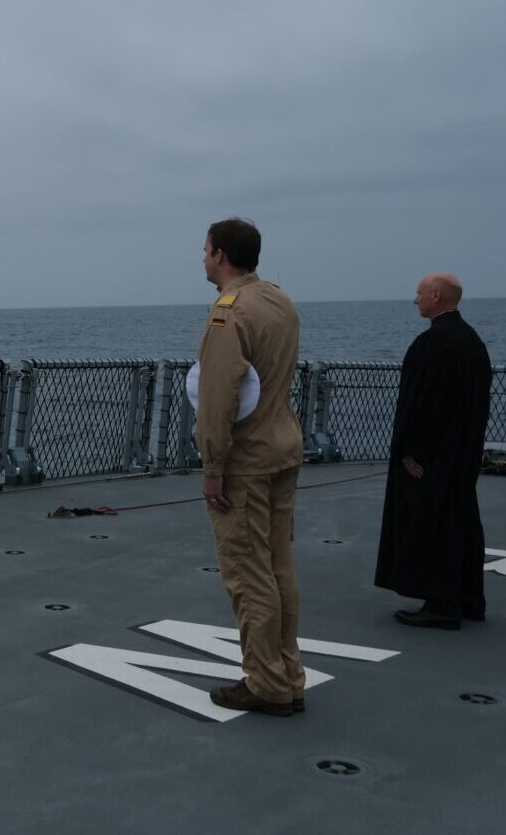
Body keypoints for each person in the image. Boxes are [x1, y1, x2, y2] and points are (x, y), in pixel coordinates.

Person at [194, 218, 306, 717]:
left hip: (247, 459)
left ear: (220, 255)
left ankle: (265, 682)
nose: (202, 258)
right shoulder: (279, 301)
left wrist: (213, 465)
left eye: (205, 250)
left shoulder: (228, 312)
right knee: (279, 566)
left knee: (248, 573)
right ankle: (289, 672)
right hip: (283, 448)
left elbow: (218, 395)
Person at [374, 273, 493, 629]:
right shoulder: (472, 342)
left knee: (432, 523)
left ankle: (441, 603)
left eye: (420, 293)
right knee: (462, 519)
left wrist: (410, 452)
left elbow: (421, 405)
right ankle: (469, 598)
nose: (415, 299)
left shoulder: (434, 343)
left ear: (437, 296)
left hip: (432, 458)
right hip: (463, 452)